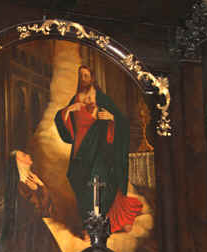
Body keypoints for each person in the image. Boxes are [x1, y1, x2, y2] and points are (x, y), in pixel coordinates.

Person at [55, 65, 143, 233]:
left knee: (99, 184)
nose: (83, 79)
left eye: (86, 75)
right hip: (80, 151)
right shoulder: (75, 99)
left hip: (100, 151)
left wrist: (112, 118)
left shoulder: (102, 98)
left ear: (93, 78)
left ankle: (99, 225)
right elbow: (63, 123)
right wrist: (67, 111)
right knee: (79, 182)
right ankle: (90, 223)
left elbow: (122, 121)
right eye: (81, 75)